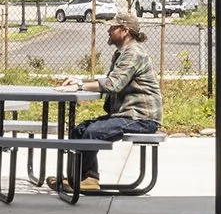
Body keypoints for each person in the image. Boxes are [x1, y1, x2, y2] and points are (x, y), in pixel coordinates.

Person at [59, 19, 159, 193]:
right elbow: (108, 83)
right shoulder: (120, 54)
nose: (108, 31)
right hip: (126, 115)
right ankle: (85, 178)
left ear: (125, 31)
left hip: (141, 117)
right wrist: (81, 81)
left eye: (112, 27)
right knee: (80, 130)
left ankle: (83, 181)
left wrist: (80, 85)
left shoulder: (133, 53)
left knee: (93, 132)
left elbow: (113, 84)